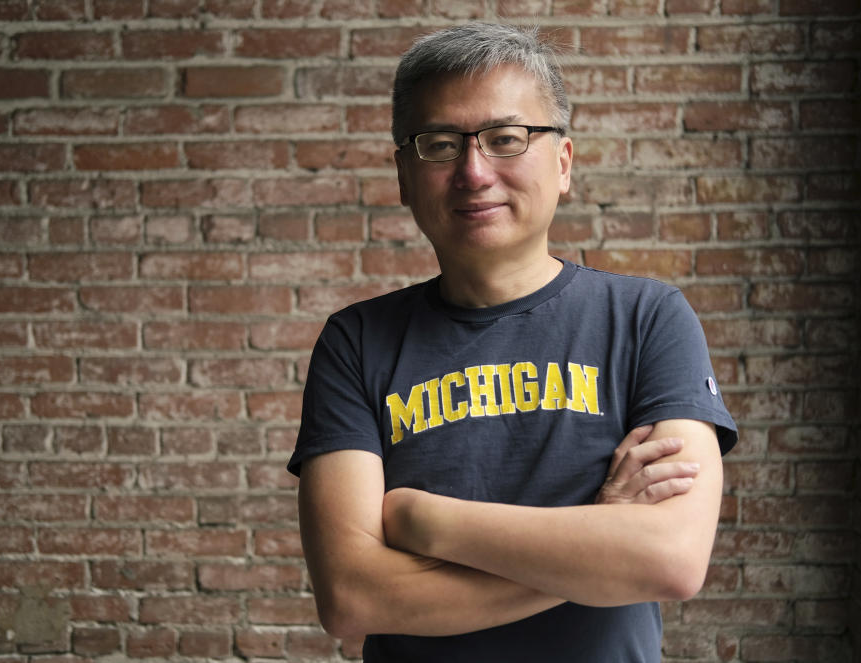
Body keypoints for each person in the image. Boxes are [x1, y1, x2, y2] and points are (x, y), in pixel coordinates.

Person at [287, 22, 737, 662]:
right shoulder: (357, 342)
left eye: (506, 139)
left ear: (563, 163)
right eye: (440, 145)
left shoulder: (648, 319)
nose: (474, 171)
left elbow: (668, 558)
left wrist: (425, 521)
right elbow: (353, 598)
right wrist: (599, 542)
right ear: (404, 176)